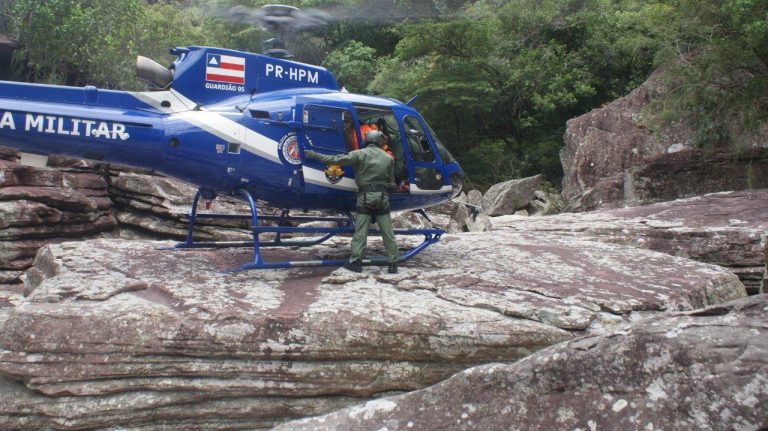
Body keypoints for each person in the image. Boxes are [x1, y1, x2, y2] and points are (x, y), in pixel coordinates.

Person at [304, 130, 399, 274]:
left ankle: (356, 263)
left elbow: (334, 160)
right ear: (380, 142)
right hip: (382, 198)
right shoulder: (388, 158)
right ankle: (393, 265)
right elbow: (392, 183)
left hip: (364, 197)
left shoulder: (359, 154)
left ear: (367, 140)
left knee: (360, 232)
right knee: (387, 232)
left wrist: (313, 155)